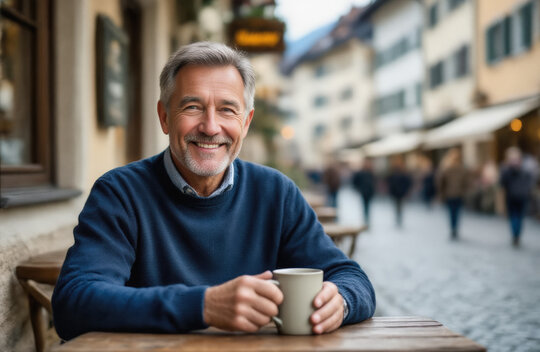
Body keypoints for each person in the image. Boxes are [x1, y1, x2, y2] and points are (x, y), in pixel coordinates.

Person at [52, 42, 376, 340]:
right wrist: (203, 306)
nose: (210, 126)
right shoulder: (120, 193)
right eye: (192, 107)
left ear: (246, 123)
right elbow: (74, 302)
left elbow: (352, 278)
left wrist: (342, 302)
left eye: (227, 109)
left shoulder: (276, 193)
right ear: (165, 117)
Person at [500, 147, 534, 247]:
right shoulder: (525, 168)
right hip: (522, 196)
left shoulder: (506, 168)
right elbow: (529, 181)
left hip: (511, 196)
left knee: (513, 216)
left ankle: (515, 235)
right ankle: (517, 235)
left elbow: (502, 183)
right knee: (519, 217)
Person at [436, 148, 469, 240]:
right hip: (459, 194)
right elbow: (467, 182)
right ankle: (455, 228)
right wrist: (464, 190)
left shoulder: (446, 168)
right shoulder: (462, 168)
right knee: (457, 212)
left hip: (449, 194)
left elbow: (441, 181)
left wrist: (441, 193)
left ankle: (453, 228)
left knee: (451, 212)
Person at [386, 156, 412, 228]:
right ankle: (398, 218)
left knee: (399, 206)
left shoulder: (402, 174)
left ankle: (399, 218)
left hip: (400, 193)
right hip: (396, 193)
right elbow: (389, 181)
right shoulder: (394, 173)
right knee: (397, 206)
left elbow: (407, 182)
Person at [352, 158, 376, 226]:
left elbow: (374, 182)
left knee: (368, 205)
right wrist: (358, 188)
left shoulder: (370, 172)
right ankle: (366, 218)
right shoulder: (361, 172)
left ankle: (367, 218)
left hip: (369, 191)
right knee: (365, 205)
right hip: (363, 191)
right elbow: (356, 181)